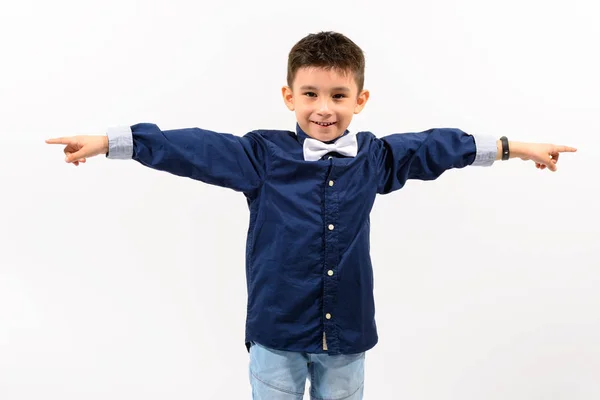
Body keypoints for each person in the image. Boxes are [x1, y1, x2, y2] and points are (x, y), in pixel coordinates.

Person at [46, 31, 576, 399]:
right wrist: (111, 141)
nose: (325, 107)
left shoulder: (376, 158)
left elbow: (444, 146)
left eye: (339, 95)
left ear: (360, 99)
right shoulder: (261, 156)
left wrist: (517, 147)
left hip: (346, 336)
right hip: (277, 329)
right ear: (289, 96)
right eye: (311, 94)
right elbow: (193, 148)